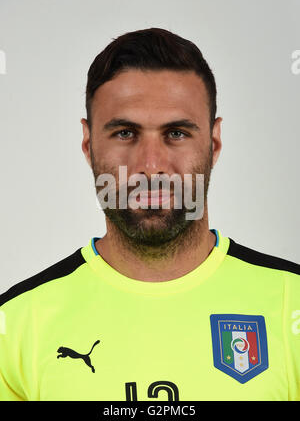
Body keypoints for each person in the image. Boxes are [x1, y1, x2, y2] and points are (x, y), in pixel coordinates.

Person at [0, 28, 299, 402]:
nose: (151, 165)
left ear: (214, 142)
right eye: (125, 133)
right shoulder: (13, 326)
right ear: (88, 144)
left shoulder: (292, 302)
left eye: (176, 133)